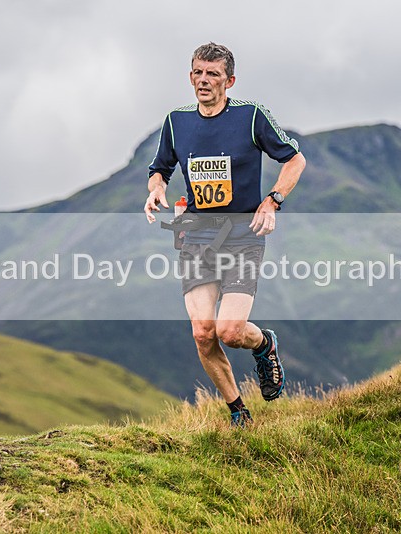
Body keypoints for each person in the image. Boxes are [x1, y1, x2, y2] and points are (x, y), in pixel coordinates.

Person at [143, 42, 306, 427]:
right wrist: (155, 189)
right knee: (203, 332)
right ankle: (238, 412)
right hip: (196, 235)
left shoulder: (250, 117)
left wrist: (273, 201)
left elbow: (294, 159)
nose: (203, 80)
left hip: (243, 234)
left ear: (229, 80)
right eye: (198, 72)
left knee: (230, 331)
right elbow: (160, 168)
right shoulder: (176, 122)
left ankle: (263, 343)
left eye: (212, 74)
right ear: (190, 76)